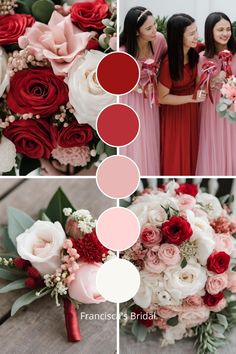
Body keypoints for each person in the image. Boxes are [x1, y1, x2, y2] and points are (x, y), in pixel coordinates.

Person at [119, 6, 167, 175]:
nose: (154, 30)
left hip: (151, 101)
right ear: (136, 32)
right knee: (137, 143)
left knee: (151, 141)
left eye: (154, 25)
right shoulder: (123, 53)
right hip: (132, 101)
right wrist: (140, 88)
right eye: (148, 28)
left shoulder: (159, 40)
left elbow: (168, 62)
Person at [158, 13, 206, 176]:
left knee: (193, 151)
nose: (196, 37)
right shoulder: (168, 64)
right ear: (179, 37)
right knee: (176, 155)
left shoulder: (196, 50)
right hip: (175, 115)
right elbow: (161, 97)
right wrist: (191, 98)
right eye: (191, 34)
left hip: (191, 112)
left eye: (196, 31)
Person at [196, 12, 236, 175]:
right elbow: (198, 92)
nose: (225, 33)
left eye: (228, 29)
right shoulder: (201, 59)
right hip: (211, 110)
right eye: (220, 29)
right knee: (214, 145)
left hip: (233, 109)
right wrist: (213, 81)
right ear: (210, 32)